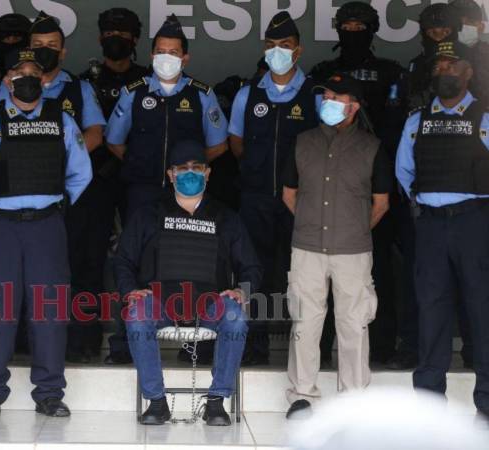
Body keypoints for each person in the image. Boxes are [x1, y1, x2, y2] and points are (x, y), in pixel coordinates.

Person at [0, 49, 92, 417]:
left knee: (49, 312)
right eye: (20, 73)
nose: (28, 79)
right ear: (6, 80)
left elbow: (81, 173)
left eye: (35, 73)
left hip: (46, 226)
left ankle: (49, 394)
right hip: (1, 226)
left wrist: (54, 206)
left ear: (45, 80)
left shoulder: (61, 120)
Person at [0, 11, 106, 364]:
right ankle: (21, 343)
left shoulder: (79, 87)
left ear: (64, 51)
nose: (44, 51)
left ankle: (81, 342)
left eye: (52, 46)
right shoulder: (9, 83)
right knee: (18, 280)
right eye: (37, 46)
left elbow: (96, 134)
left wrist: (60, 163)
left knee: (79, 269)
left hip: (65, 196)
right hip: (16, 198)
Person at [113, 140, 261, 426]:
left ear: (208, 173)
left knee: (235, 316)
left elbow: (252, 265)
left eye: (197, 168)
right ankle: (156, 402)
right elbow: (123, 261)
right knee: (137, 314)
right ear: (171, 174)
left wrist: (241, 291)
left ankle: (217, 402)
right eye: (183, 169)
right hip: (161, 304)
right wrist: (131, 291)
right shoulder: (148, 214)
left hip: (208, 307)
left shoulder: (226, 217)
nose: (190, 173)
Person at [283, 73, 392, 418]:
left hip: (353, 250)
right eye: (325, 95)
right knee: (305, 322)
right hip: (307, 247)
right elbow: (289, 194)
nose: (327, 102)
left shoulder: (372, 147)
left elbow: (381, 203)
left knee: (354, 323)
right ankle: (302, 396)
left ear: (354, 106)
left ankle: (354, 400)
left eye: (336, 97)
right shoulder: (303, 142)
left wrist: (354, 229)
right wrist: (310, 223)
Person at [396, 40, 489, 422]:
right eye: (438, 68)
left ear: (468, 71)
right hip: (432, 225)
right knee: (431, 311)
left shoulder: (484, 118)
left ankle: (486, 401)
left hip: (474, 223)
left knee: (481, 310)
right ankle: (430, 402)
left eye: (453, 66)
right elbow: (404, 173)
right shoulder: (417, 120)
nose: (445, 73)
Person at [309, 2, 406, 366]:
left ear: (372, 28)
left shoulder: (390, 73)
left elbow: (398, 129)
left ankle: (381, 348)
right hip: (329, 178)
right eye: (346, 24)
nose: (352, 30)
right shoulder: (323, 72)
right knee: (323, 270)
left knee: (377, 267)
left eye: (359, 25)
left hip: (374, 178)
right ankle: (320, 350)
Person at [228, 11, 319, 366]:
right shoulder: (248, 95)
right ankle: (255, 347)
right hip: (256, 199)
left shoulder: (314, 94)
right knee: (255, 274)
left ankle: (311, 352)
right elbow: (236, 142)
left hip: (301, 202)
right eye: (271, 46)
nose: (277, 51)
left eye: (285, 45)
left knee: (304, 277)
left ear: (298, 51)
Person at [73, 7, 149, 365]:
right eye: (108, 33)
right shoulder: (83, 83)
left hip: (136, 181)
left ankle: (131, 340)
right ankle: (84, 338)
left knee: (138, 262)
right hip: (94, 183)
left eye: (122, 33)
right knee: (87, 263)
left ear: (134, 39)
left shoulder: (148, 80)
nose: (113, 39)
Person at [105, 14, 228, 223]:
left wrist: (189, 170)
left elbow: (219, 146)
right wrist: (139, 163)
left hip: (186, 192)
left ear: (185, 58)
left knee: (180, 251)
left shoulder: (201, 95)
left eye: (173, 52)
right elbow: (113, 141)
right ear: (152, 55)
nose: (166, 57)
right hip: (142, 190)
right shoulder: (134, 93)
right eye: (161, 52)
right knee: (140, 248)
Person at [407, 3, 461, 110]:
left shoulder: (470, 60)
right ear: (423, 33)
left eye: (445, 32)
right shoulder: (416, 65)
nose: (438, 38)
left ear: (455, 31)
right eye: (432, 32)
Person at [449, 0, 489, 105]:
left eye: (470, 22)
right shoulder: (440, 57)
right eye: (458, 23)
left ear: (481, 27)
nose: (463, 26)